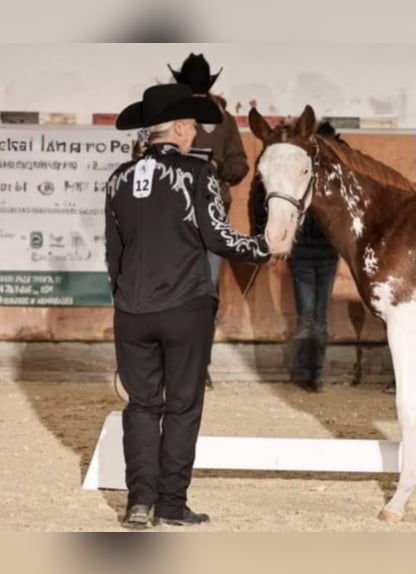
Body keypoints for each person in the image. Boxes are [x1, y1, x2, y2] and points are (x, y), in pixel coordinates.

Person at [106, 83, 270, 529]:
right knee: (182, 407)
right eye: (193, 126)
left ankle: (139, 502)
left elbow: (114, 256)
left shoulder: (118, 178)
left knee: (141, 406)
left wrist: (124, 301)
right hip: (184, 306)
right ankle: (171, 505)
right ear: (177, 128)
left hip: (132, 310)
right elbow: (217, 237)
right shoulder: (199, 176)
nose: (197, 134)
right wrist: (262, 246)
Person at [169, 53, 250, 388]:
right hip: (178, 215)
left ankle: (198, 365)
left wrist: (217, 168)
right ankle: (182, 364)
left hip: (207, 214)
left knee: (203, 294)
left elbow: (240, 164)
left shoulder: (224, 120)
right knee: (185, 292)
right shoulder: (172, 117)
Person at [250, 124, 338, 392]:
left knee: (314, 316)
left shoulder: (317, 177)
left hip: (319, 253)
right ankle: (306, 373)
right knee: (311, 316)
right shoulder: (301, 177)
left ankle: (311, 372)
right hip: (310, 253)